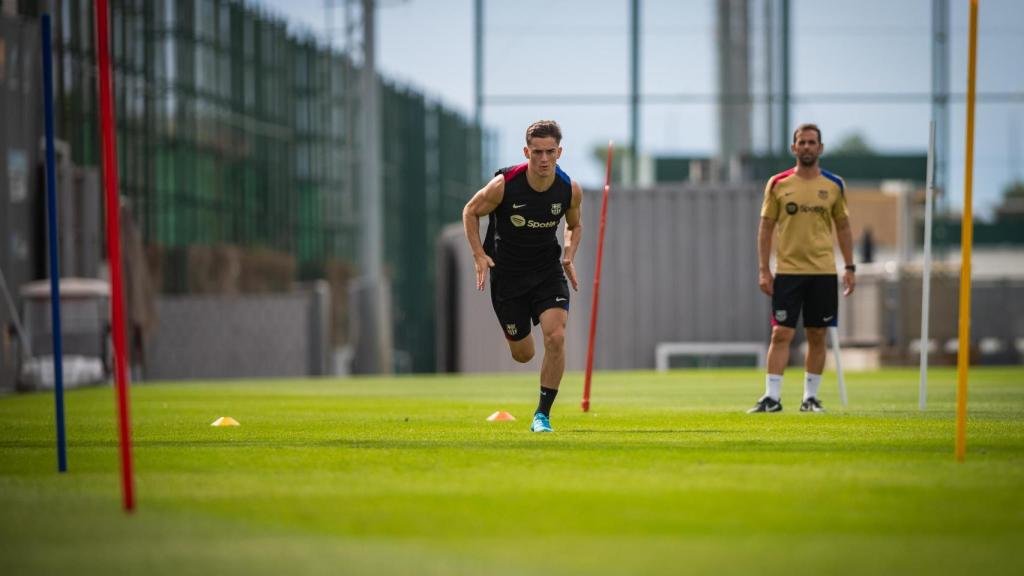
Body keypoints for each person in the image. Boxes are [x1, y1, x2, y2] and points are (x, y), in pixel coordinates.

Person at [462, 120, 583, 432]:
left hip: (547, 271)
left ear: (560, 152)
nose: (544, 159)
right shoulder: (504, 185)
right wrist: (478, 253)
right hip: (508, 276)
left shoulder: (568, 189)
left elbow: (574, 224)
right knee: (524, 354)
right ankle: (516, 330)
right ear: (526, 152)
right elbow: (470, 211)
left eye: (550, 152)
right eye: (537, 152)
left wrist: (568, 253)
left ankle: (542, 415)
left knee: (556, 336)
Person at [749, 123, 856, 413]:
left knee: (817, 334)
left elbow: (844, 227)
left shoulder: (834, 184)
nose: (807, 147)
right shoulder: (778, 183)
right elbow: (765, 228)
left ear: (820, 148)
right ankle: (771, 398)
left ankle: (810, 398)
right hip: (788, 272)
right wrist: (763, 269)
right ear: (793, 148)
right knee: (781, 333)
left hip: (823, 272)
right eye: (802, 142)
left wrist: (849, 267)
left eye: (812, 142)